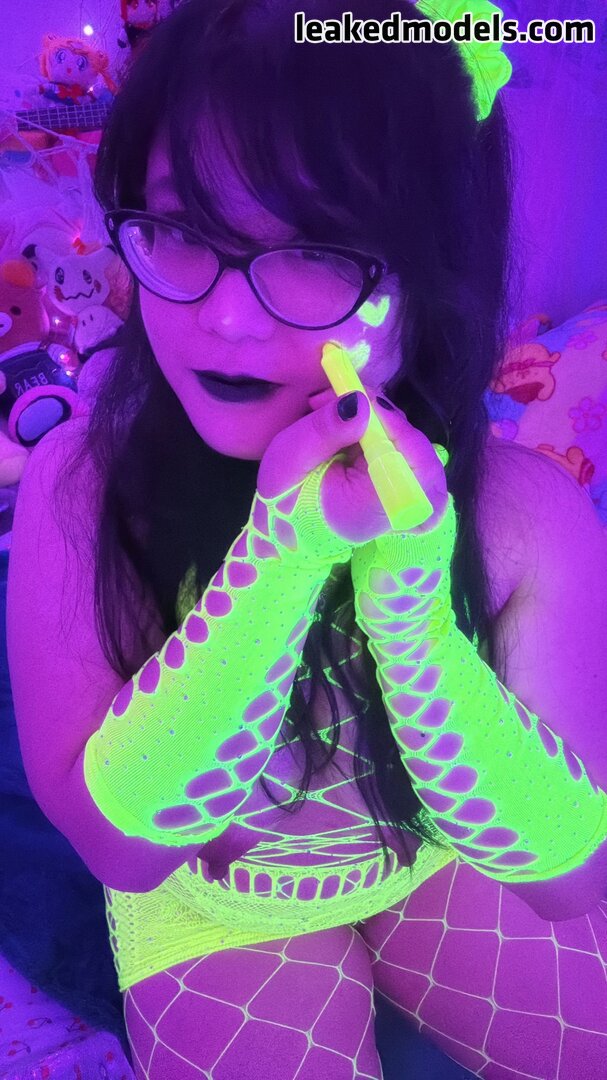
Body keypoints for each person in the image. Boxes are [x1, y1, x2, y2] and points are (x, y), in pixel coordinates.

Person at [7, 1, 607, 1077]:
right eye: (180, 230)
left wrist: (412, 620)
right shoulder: (80, 490)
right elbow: (125, 850)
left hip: (429, 858)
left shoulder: (525, 514)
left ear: (435, 276)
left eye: (317, 249)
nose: (227, 319)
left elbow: (569, 879)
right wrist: (279, 557)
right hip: (210, 903)